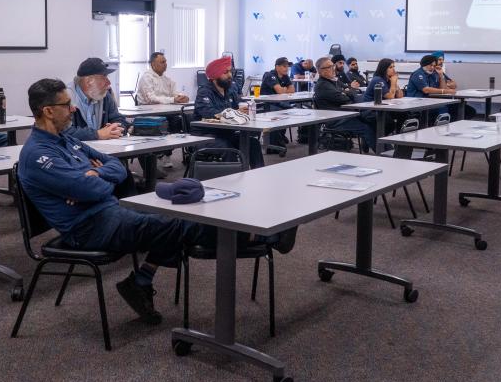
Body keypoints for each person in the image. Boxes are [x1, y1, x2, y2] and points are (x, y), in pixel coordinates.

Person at [17, 79, 296, 324]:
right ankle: (259, 236)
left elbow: (117, 169)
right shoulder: (38, 155)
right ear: (48, 111)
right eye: (66, 105)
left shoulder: (67, 141)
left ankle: (142, 279)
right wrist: (92, 181)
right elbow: (93, 189)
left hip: (108, 211)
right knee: (176, 222)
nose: (73, 109)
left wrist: (97, 174)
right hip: (87, 228)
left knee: (176, 216)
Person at [193, 56, 264, 168]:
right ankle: (235, 177)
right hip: (205, 136)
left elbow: (239, 107)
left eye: (230, 71)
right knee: (228, 148)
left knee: (252, 143)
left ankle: (259, 174)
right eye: (225, 72)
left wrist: (246, 110)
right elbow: (208, 112)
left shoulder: (230, 91)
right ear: (215, 75)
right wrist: (235, 112)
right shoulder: (204, 92)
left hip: (226, 134)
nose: (230, 75)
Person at [313, 56, 376, 152]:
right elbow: (344, 97)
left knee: (374, 121)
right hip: (336, 120)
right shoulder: (323, 85)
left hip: (347, 114)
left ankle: (384, 150)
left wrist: (346, 91)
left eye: (333, 66)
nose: (333, 68)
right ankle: (384, 154)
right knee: (367, 128)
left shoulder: (334, 81)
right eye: (329, 67)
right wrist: (346, 92)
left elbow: (351, 91)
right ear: (321, 70)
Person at [69, 57, 128, 141]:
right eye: (104, 77)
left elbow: (118, 119)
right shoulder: (65, 98)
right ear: (88, 82)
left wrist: (116, 128)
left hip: (104, 146)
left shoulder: (105, 95)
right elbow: (63, 132)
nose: (109, 82)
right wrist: (97, 134)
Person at [259, 57, 295, 150]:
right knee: (280, 112)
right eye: (284, 66)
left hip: (279, 103)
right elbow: (279, 91)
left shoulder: (285, 76)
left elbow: (292, 90)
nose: (287, 68)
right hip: (268, 104)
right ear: (277, 67)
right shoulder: (270, 75)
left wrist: (284, 90)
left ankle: (280, 136)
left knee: (290, 110)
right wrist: (285, 89)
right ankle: (274, 140)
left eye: (287, 67)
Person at [433, 52, 476, 119]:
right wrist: (447, 86)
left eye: (443, 60)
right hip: (438, 101)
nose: (442, 62)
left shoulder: (441, 72)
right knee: (467, 112)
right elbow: (443, 89)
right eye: (439, 59)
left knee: (470, 111)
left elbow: (454, 85)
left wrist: (446, 85)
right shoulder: (432, 73)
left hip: (447, 100)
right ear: (434, 61)